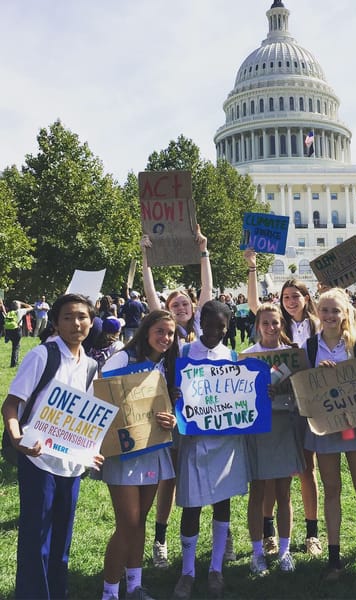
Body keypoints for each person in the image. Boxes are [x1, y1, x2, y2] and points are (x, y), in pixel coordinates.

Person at [2, 293, 103, 600]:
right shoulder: (42, 356)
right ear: (56, 323)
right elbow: (11, 405)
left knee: (62, 540)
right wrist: (17, 438)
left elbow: (87, 418)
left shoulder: (90, 365)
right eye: (69, 317)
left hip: (71, 465)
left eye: (82, 317)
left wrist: (91, 450)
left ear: (91, 321)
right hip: (38, 460)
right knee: (36, 540)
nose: (76, 323)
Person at [141, 225, 216, 568]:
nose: (183, 306)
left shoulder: (200, 327)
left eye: (186, 302)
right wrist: (146, 259)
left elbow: (207, 289)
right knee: (168, 479)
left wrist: (203, 251)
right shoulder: (168, 332)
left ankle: (214, 538)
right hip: (170, 409)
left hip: (200, 410)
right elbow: (151, 295)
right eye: (176, 304)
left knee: (202, 472)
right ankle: (160, 539)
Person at [245, 249, 322, 557]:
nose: (290, 301)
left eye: (296, 296)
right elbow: (257, 309)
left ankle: (312, 532)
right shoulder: (282, 329)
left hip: (307, 403)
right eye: (286, 297)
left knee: (305, 468)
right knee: (273, 476)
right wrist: (252, 269)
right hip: (279, 410)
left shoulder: (315, 326)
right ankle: (268, 532)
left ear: (306, 297)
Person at [173, 301, 250, 599]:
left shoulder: (231, 357)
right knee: (191, 505)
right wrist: (174, 393)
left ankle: (216, 568)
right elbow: (170, 387)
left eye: (223, 325)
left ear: (228, 326)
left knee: (222, 503)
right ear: (200, 322)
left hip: (225, 443)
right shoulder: (183, 353)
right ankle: (187, 571)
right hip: (193, 441)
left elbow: (243, 395)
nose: (216, 330)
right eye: (211, 324)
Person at [100, 310, 179, 600]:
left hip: (153, 450)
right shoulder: (123, 358)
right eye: (160, 331)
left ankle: (134, 585)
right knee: (128, 524)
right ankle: (109, 591)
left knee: (140, 522)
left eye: (170, 333)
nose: (166, 338)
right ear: (146, 331)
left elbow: (168, 406)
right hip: (124, 454)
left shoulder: (166, 365)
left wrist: (170, 419)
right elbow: (102, 396)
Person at [302, 288, 356, 582]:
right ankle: (334, 559)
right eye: (325, 310)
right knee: (331, 489)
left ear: (346, 313)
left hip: (354, 425)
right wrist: (318, 375)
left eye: (336, 311)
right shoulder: (310, 347)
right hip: (326, 426)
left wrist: (349, 372)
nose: (330, 316)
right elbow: (304, 387)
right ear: (317, 313)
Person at [242, 300, 305, 575]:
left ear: (282, 325)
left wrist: (287, 390)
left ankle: (284, 550)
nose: (270, 327)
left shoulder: (292, 355)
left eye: (275, 322)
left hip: (284, 426)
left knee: (283, 492)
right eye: (265, 323)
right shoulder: (246, 356)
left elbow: (303, 390)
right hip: (258, 430)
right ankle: (257, 552)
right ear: (258, 326)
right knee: (257, 492)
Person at [3, 300, 34, 367]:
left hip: (9, 331)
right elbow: (31, 307)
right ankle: (14, 363)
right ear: (18, 306)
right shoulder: (20, 311)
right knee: (16, 347)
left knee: (14, 346)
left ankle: (7, 338)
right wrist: (22, 303)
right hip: (17, 330)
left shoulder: (10, 312)